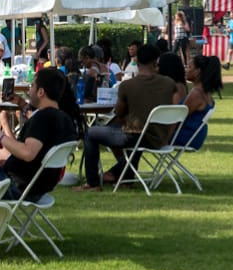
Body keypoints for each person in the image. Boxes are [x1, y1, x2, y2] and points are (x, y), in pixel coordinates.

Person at [76, 43, 177, 190]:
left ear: (137, 61)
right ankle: (125, 178)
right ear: (156, 61)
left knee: (91, 132)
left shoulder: (127, 85)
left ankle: (93, 183)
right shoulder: (169, 83)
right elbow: (174, 111)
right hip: (159, 136)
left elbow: (119, 113)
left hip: (136, 136)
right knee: (125, 130)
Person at [0, 67, 79, 198]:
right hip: (41, 187)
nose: (30, 90)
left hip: (15, 186)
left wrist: (0, 136)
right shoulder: (65, 119)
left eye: (32, 86)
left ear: (41, 92)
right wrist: (22, 104)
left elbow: (28, 153)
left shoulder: (42, 118)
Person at [176, 55, 221, 147]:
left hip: (186, 137)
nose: (186, 70)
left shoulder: (196, 94)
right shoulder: (205, 92)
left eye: (189, 67)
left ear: (197, 71)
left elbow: (178, 118)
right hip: (195, 136)